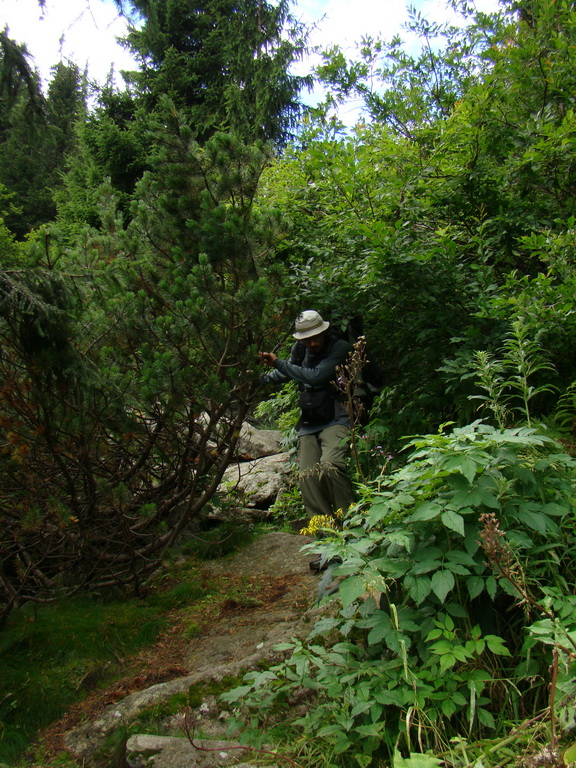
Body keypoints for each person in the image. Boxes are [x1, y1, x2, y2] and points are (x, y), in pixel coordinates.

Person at [260, 310, 355, 525]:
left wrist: (279, 363)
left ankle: (352, 525)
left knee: (331, 465)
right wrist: (259, 379)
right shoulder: (300, 349)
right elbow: (286, 374)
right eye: (306, 339)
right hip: (310, 420)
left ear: (325, 332)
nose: (311, 344)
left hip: (337, 416)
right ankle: (326, 536)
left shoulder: (340, 349)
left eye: (315, 338)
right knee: (307, 476)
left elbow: (316, 375)